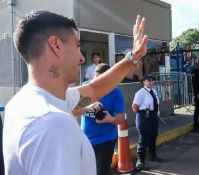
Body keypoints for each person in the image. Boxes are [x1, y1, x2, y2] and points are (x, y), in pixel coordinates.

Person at [3, 10, 148, 175]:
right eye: (77, 46)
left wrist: (133, 57)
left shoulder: (20, 103)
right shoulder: (52, 123)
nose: (81, 58)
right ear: (56, 45)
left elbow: (95, 88)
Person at [80, 63, 126, 175]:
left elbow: (122, 118)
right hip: (85, 139)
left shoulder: (116, 92)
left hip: (106, 140)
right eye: (97, 80)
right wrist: (88, 107)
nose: (99, 84)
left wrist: (110, 119)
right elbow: (72, 109)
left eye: (103, 81)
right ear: (94, 76)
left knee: (101, 171)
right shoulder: (84, 88)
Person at [132, 74, 163, 170]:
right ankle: (140, 161)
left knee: (153, 136)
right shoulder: (140, 92)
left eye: (152, 80)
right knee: (144, 138)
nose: (151, 82)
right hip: (144, 117)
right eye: (148, 80)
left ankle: (153, 155)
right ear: (144, 82)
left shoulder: (153, 91)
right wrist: (143, 114)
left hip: (153, 117)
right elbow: (135, 107)